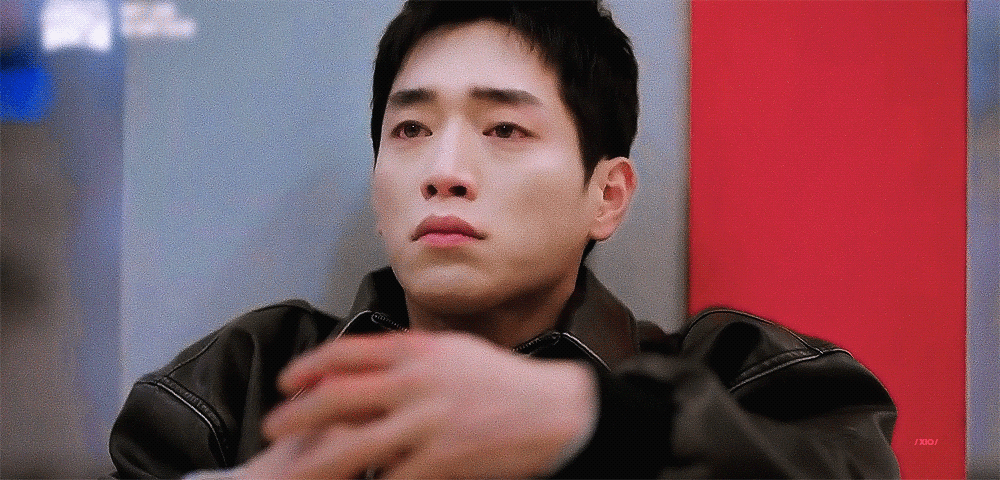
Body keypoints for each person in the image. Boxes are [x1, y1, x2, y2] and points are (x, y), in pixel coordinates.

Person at [109, 1, 900, 478]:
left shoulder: (734, 375)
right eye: (410, 129)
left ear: (606, 196)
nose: (443, 171)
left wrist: (599, 422)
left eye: (505, 129)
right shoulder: (245, 382)